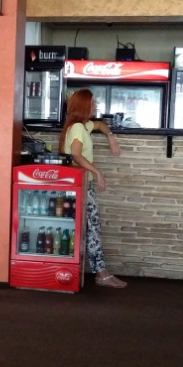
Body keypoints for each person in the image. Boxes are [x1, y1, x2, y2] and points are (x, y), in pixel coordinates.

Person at [58, 88, 127, 288]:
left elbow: (100, 125)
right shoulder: (77, 128)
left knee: (90, 228)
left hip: (79, 185)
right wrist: (97, 172)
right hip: (79, 187)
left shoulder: (81, 126)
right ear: (84, 106)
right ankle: (101, 274)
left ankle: (99, 272)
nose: (96, 105)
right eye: (93, 102)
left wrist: (110, 136)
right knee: (92, 229)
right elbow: (76, 155)